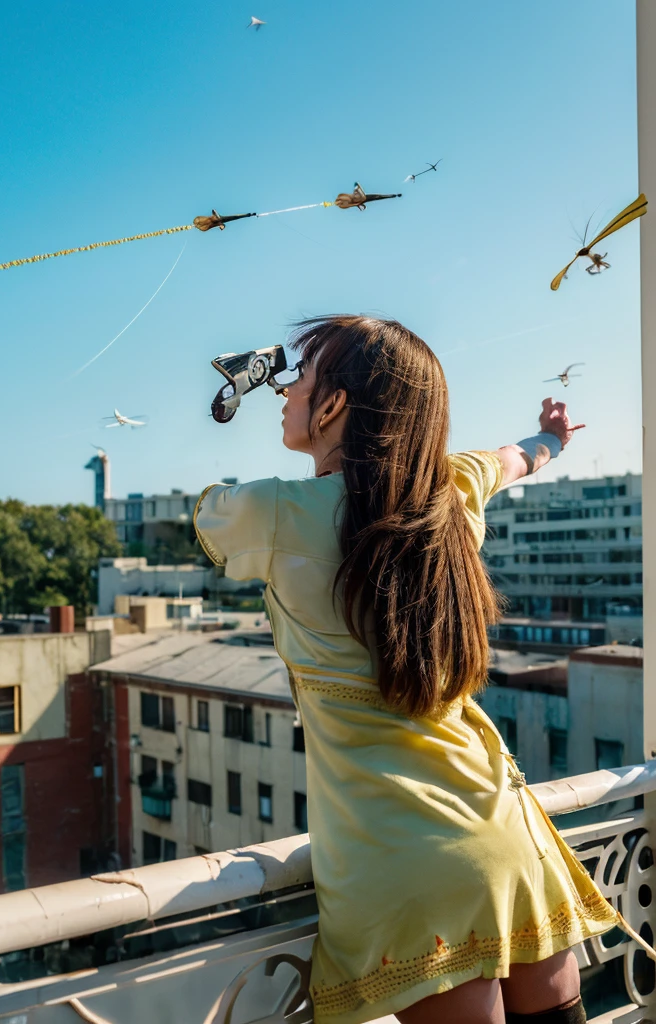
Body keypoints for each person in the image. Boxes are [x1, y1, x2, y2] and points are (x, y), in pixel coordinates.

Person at [194, 315, 637, 1024]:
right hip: (508, 837)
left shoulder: (270, 512)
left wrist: (239, 396)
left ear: (335, 404)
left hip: (401, 867)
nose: (284, 391)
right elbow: (512, 458)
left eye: (299, 379)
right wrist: (552, 436)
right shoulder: (451, 498)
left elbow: (208, 516)